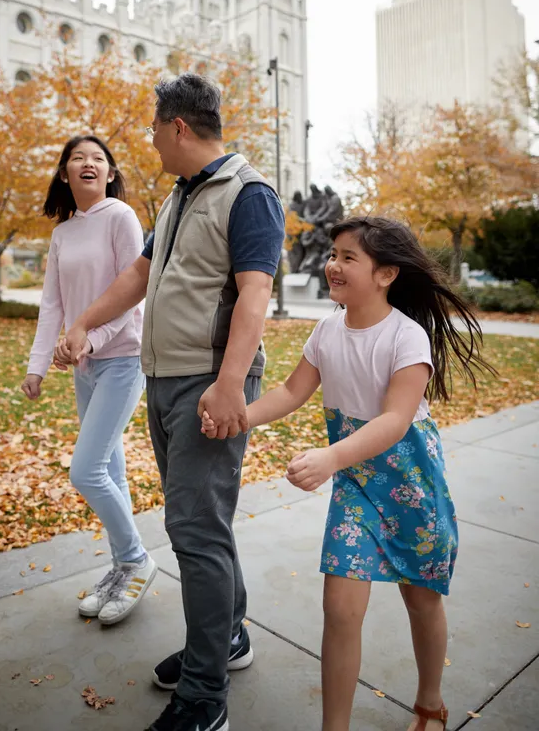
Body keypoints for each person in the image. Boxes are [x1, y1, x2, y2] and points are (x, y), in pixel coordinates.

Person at [55, 73, 285, 731]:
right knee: (204, 524)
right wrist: (86, 325)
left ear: (179, 127)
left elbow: (254, 293)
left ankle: (206, 696)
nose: (151, 141)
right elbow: (138, 275)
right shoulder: (181, 195)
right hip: (164, 377)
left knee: (193, 531)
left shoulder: (248, 194)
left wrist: (231, 383)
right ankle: (227, 638)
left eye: (156, 128)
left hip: (207, 382)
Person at [201, 216, 493, 731]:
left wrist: (331, 458)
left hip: (410, 484)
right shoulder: (327, 329)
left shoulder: (407, 337)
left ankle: (430, 700)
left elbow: (395, 420)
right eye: (333, 254)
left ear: (386, 274)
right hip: (357, 487)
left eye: (348, 257)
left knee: (421, 600)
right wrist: (238, 414)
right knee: (339, 607)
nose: (333, 264)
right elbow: (293, 391)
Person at [20, 135, 156, 626]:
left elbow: (133, 293)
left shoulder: (120, 217)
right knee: (111, 474)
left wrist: (91, 340)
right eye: (78, 158)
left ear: (111, 173)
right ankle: (122, 568)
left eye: (98, 158)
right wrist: (37, 366)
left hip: (122, 360)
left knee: (86, 471)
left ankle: (137, 559)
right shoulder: (63, 234)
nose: (89, 163)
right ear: (64, 174)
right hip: (85, 369)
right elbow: (53, 305)